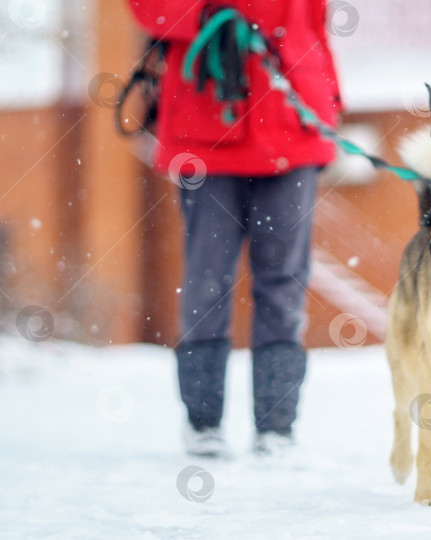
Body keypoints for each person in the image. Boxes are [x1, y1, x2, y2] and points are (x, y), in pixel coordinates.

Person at [126, 0, 342, 456]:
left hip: (292, 122)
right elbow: (149, 8)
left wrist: (329, 105)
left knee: (284, 282)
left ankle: (276, 425)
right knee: (207, 279)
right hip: (207, 127)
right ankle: (203, 421)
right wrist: (206, 12)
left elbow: (314, 25)